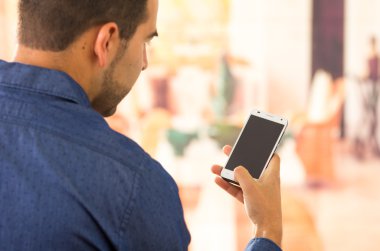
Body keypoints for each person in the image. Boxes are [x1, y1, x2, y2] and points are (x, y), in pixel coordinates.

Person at [0, 0, 283, 250]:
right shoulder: (133, 186)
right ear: (107, 41)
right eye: (145, 41)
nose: (145, 62)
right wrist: (267, 231)